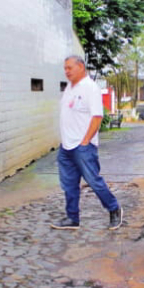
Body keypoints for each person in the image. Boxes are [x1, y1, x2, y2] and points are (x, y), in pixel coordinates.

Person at [51, 55, 123, 231]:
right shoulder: (70, 87)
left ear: (81, 67)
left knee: (93, 180)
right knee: (69, 184)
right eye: (65, 68)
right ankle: (72, 218)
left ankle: (114, 209)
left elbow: (97, 117)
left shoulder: (90, 88)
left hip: (83, 147)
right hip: (66, 147)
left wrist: (85, 141)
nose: (66, 71)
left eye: (70, 68)